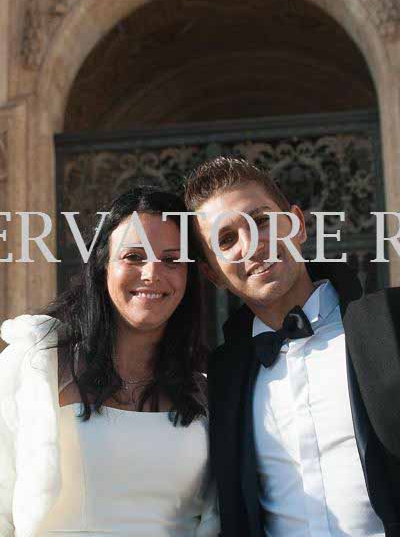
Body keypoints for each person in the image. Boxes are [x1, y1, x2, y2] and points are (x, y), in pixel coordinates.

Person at [184, 156, 400, 537]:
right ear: (212, 273)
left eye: (261, 221)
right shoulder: (221, 377)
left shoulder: (392, 321)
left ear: (297, 224)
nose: (253, 245)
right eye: (226, 239)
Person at [0, 186, 220, 537]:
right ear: (103, 264)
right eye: (133, 256)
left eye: (171, 260)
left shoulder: (206, 389)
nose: (151, 273)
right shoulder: (35, 367)